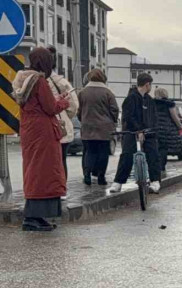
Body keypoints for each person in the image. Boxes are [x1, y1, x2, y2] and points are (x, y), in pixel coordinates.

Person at [11, 47, 70, 231]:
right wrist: (64, 101)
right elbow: (51, 108)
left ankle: (36, 216)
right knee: (45, 172)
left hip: (30, 130)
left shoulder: (24, 80)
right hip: (43, 132)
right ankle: (33, 217)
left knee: (34, 170)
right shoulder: (40, 81)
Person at [110, 73, 161, 194]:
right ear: (147, 84)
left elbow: (154, 118)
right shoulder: (131, 98)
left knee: (153, 154)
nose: (151, 88)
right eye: (150, 85)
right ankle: (118, 183)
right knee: (127, 155)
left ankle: (155, 181)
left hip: (148, 133)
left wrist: (152, 130)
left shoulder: (150, 101)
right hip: (132, 132)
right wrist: (138, 130)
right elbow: (128, 117)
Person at [47, 46, 78, 200]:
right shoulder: (61, 82)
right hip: (61, 126)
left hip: (42, 128)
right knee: (61, 159)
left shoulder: (32, 80)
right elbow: (74, 105)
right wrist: (66, 115)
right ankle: (61, 189)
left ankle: (46, 189)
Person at [77, 68, 119, 186]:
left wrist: (83, 119)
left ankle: (87, 175)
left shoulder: (82, 92)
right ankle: (101, 177)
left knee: (90, 151)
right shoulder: (108, 93)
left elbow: (78, 110)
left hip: (87, 127)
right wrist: (113, 120)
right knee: (103, 153)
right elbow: (114, 109)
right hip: (104, 128)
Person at [153, 87, 182, 175]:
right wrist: (180, 126)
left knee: (155, 148)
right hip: (166, 129)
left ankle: (154, 168)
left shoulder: (152, 103)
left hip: (154, 128)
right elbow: (174, 116)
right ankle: (162, 168)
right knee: (163, 149)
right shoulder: (169, 104)